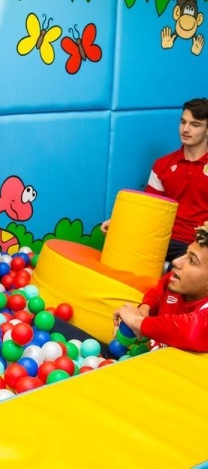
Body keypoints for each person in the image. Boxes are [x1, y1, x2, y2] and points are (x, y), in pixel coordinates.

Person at [101, 98, 208, 263]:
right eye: (183, 122)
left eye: (195, 125)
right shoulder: (162, 165)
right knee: (119, 253)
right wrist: (120, 222)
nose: (185, 129)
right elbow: (150, 209)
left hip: (198, 244)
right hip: (162, 240)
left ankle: (169, 271)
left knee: (190, 270)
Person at [114, 222, 208, 352]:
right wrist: (146, 308)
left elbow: (193, 331)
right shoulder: (177, 281)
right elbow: (159, 290)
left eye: (192, 261)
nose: (176, 261)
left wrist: (138, 322)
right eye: (186, 253)